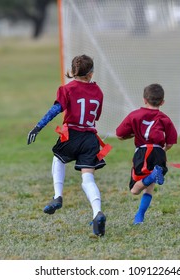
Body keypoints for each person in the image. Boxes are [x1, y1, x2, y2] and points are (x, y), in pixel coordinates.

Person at [27, 55, 107, 236]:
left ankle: (58, 196)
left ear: (72, 71)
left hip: (71, 136)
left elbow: (55, 110)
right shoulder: (98, 92)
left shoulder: (67, 89)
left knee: (58, 159)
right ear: (91, 73)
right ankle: (97, 212)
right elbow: (95, 117)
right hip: (90, 138)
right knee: (88, 179)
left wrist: (38, 127)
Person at [116, 83, 177, 225]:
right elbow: (170, 143)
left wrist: (131, 135)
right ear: (162, 102)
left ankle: (152, 176)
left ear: (144, 99)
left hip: (142, 151)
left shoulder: (135, 115)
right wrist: (162, 151)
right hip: (158, 152)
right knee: (149, 187)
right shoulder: (165, 118)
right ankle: (139, 216)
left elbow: (119, 134)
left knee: (134, 189)